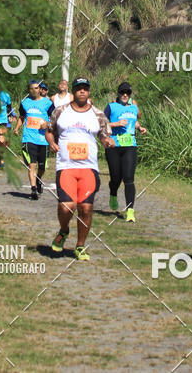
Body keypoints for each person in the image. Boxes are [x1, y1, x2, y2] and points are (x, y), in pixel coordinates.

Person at [46, 77, 115, 261]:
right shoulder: (61, 111)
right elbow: (49, 130)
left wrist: (107, 141)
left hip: (88, 168)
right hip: (66, 166)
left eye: (85, 88)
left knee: (85, 207)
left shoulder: (98, 114)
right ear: (73, 92)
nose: (82, 91)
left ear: (89, 91)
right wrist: (52, 142)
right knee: (67, 206)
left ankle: (80, 246)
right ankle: (63, 230)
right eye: (78, 89)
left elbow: (104, 135)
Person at [104, 81, 147, 223]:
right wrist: (115, 124)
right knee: (116, 177)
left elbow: (133, 121)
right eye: (122, 92)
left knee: (129, 179)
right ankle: (113, 193)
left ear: (130, 94)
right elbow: (101, 123)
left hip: (130, 146)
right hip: (114, 145)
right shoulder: (111, 107)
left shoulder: (134, 108)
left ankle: (130, 211)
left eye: (127, 93)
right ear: (118, 93)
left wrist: (140, 128)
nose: (125, 95)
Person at [14, 79, 54, 200]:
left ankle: (38, 180)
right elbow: (21, 117)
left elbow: (55, 119)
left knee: (41, 167)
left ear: (40, 89)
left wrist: (47, 124)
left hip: (43, 139)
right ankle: (33, 190)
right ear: (29, 90)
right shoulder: (25, 103)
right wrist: (16, 128)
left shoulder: (48, 103)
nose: (34, 90)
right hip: (29, 138)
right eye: (32, 88)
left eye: (36, 88)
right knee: (32, 165)